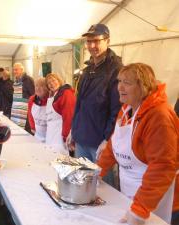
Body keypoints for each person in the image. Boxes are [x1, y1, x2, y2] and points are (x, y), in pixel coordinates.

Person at [97, 63, 179, 225]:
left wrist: (140, 210)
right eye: (119, 81)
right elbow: (114, 146)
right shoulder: (127, 109)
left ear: (143, 86)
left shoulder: (158, 116)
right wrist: (98, 171)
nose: (119, 87)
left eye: (127, 83)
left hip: (156, 199)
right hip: (131, 192)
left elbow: (162, 167)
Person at [67, 24, 122, 186]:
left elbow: (116, 110)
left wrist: (107, 139)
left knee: (104, 189)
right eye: (89, 41)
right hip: (82, 138)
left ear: (107, 41)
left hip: (100, 143)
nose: (92, 46)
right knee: (83, 185)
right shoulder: (88, 69)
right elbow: (80, 103)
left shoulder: (116, 69)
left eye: (96, 41)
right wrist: (73, 129)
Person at [45, 73, 76, 154]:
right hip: (51, 136)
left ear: (59, 80)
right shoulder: (53, 95)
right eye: (49, 83)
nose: (51, 84)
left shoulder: (66, 93)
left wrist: (66, 136)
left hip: (60, 137)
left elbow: (69, 116)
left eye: (53, 80)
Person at [10, 63, 35, 133]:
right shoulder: (16, 80)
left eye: (16, 70)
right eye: (14, 70)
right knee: (17, 130)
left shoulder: (28, 80)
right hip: (16, 111)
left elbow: (33, 95)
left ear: (22, 70)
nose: (14, 72)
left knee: (25, 131)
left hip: (24, 111)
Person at [28, 77, 49, 142]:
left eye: (41, 86)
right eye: (36, 86)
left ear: (47, 88)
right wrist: (32, 127)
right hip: (38, 135)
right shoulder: (32, 99)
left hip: (51, 136)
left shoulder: (51, 99)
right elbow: (30, 114)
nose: (38, 88)